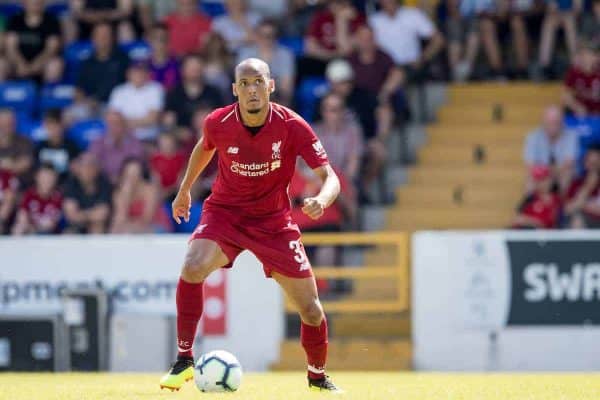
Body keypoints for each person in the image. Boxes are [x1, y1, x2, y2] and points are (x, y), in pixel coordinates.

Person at [159, 58, 342, 393]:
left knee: (311, 310)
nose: (252, 89)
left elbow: (330, 177)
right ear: (235, 90)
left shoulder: (292, 125)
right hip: (226, 213)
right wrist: (184, 189)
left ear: (271, 85)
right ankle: (184, 359)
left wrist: (323, 200)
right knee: (192, 266)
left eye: (258, 81)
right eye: (244, 83)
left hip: (273, 222)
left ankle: (317, 377)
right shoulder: (218, 121)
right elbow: (205, 146)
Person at [62, 152, 112, 233]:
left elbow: (103, 214)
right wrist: (91, 214)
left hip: (98, 225)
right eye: (84, 166)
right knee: (68, 235)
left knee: (98, 228)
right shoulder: (71, 184)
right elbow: (71, 215)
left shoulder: (104, 184)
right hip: (76, 226)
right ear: (78, 168)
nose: (87, 170)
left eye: (91, 166)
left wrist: (81, 215)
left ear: (97, 169)